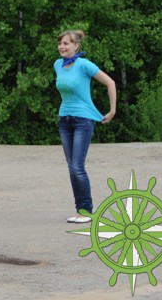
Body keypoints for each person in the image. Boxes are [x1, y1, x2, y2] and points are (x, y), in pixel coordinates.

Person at [54, 29, 117, 224]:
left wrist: (112, 110)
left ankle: (87, 210)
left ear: (76, 46)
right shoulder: (58, 65)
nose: (62, 47)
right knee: (71, 168)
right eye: (60, 43)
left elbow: (110, 82)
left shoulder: (83, 65)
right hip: (64, 120)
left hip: (83, 120)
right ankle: (80, 210)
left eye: (66, 43)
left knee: (77, 166)